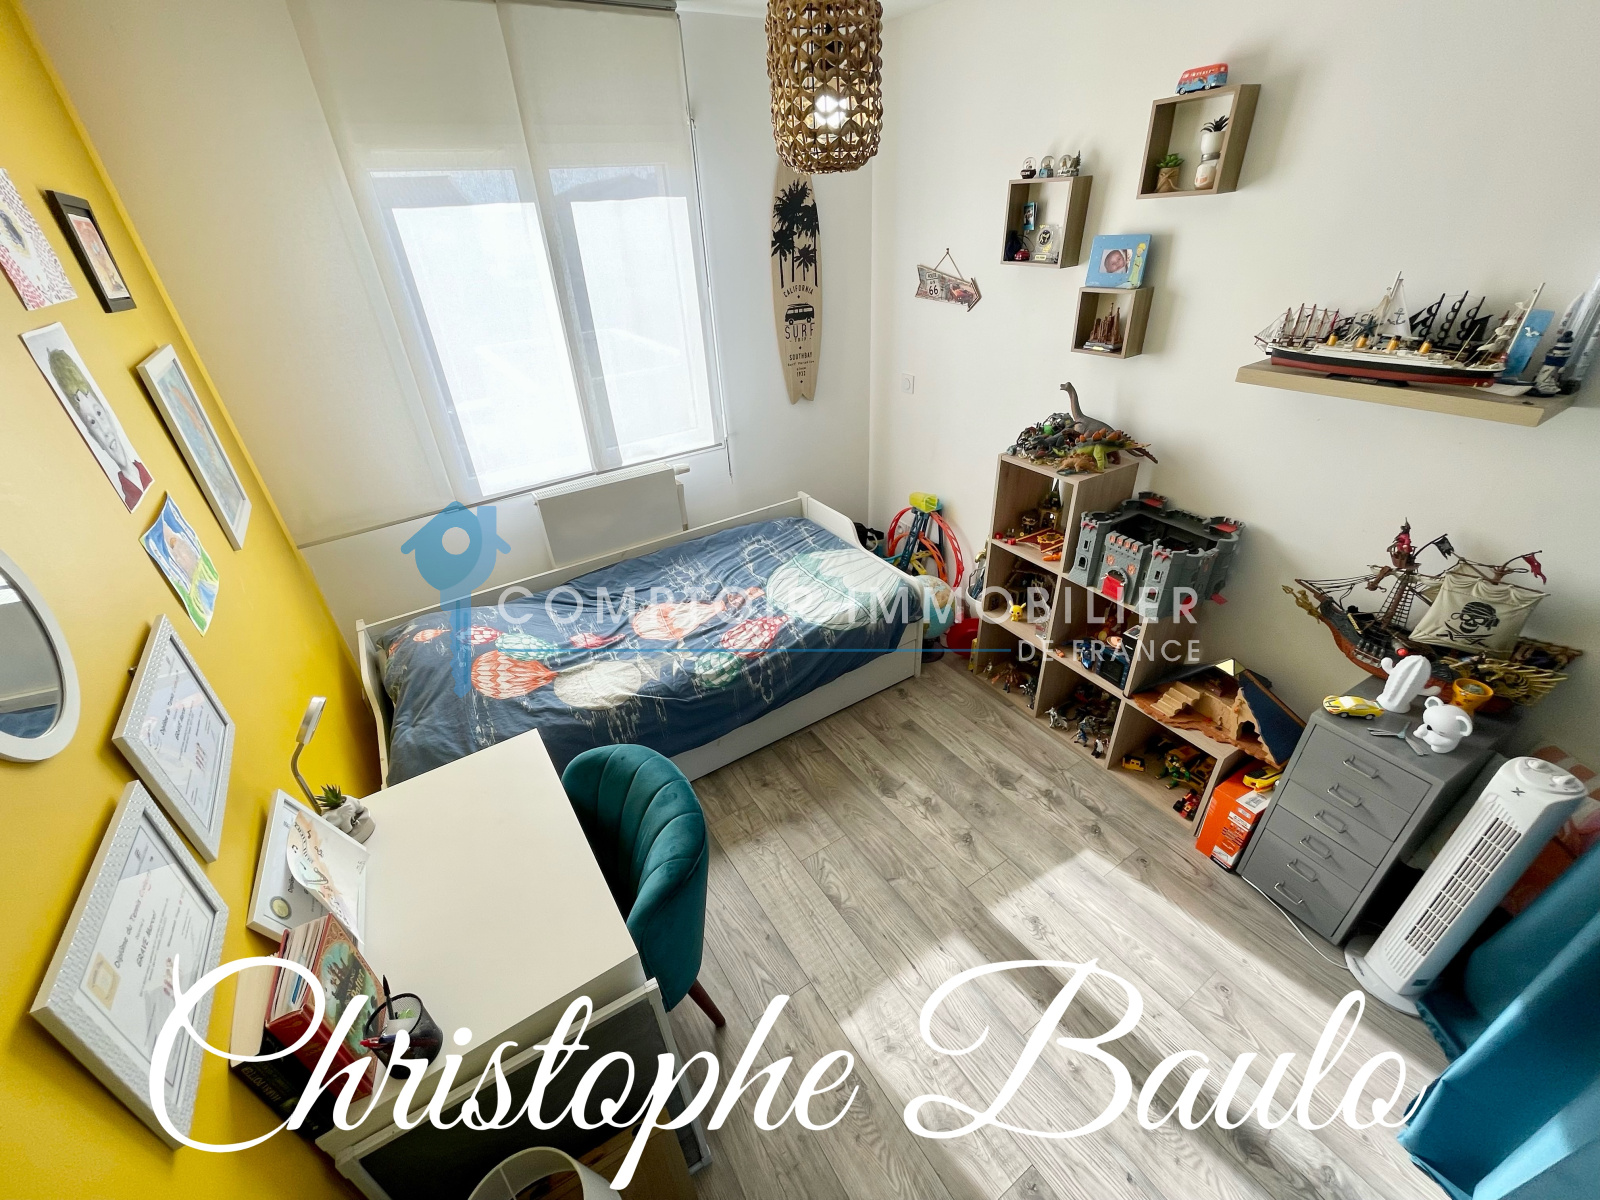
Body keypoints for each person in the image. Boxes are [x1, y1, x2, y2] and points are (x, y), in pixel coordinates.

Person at [49, 347, 150, 509]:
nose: (104, 430)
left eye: (99, 413)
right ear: (93, 437)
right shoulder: (127, 500)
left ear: (109, 416)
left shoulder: (146, 468)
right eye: (92, 422)